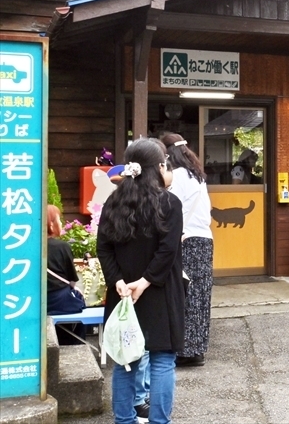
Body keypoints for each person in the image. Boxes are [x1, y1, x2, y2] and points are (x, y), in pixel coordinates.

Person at [97, 138, 184, 424]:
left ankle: (124, 420)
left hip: (122, 296)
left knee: (126, 361)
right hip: (160, 292)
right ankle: (159, 421)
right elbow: (168, 249)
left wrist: (118, 281)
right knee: (161, 360)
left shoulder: (114, 200)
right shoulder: (169, 202)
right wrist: (146, 281)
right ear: (159, 166)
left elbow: (104, 247)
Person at [161, 133, 214, 367]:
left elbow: (168, 209)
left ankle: (186, 350)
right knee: (201, 295)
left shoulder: (177, 177)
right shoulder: (198, 176)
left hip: (187, 240)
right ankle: (197, 349)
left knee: (185, 294)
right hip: (205, 239)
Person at [46, 204, 87, 345]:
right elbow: (72, 280)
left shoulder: (30, 247)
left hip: (37, 303)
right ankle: (75, 345)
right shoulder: (62, 247)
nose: (60, 223)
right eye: (58, 219)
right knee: (79, 311)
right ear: (51, 224)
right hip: (61, 301)